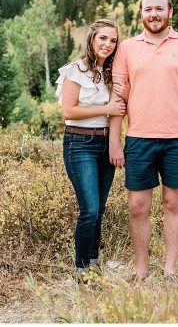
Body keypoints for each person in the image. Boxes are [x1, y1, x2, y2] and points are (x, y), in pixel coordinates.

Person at [109, 0, 178, 280]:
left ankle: (169, 269)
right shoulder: (127, 48)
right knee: (138, 206)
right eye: (147, 9)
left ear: (170, 12)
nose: (153, 14)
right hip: (138, 139)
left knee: (173, 204)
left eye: (159, 9)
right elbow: (119, 98)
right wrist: (115, 141)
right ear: (141, 13)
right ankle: (141, 271)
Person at [56, 19, 126, 280]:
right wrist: (106, 109)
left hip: (105, 144)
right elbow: (68, 111)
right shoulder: (76, 70)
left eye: (113, 40)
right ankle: (81, 270)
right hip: (79, 144)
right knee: (90, 209)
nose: (108, 44)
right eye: (103, 38)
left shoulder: (111, 73)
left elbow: (123, 104)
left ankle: (93, 263)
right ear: (92, 39)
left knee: (101, 209)